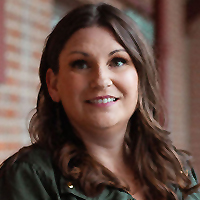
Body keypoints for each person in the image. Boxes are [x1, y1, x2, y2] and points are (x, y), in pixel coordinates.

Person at [0, 3, 199, 200]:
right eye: (81, 64)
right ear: (53, 84)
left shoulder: (175, 169)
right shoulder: (30, 177)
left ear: (140, 78)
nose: (101, 80)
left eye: (118, 61)